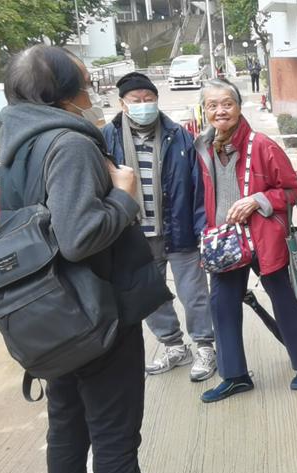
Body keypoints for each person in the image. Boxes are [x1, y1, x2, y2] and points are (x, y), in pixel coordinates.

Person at [0, 45, 204, 473]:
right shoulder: (68, 144)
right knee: (114, 442)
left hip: (51, 315)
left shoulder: (18, 143)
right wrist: (124, 197)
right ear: (62, 93)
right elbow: (78, 236)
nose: (91, 94)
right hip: (96, 315)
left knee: (67, 434)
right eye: (85, 84)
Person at [193, 78, 297, 403]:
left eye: (227, 103)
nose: (220, 111)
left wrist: (258, 200)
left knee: (284, 300)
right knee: (222, 306)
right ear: (204, 110)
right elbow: (199, 196)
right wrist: (203, 231)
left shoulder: (262, 145)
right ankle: (235, 376)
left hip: (264, 240)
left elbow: (293, 190)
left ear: (239, 107)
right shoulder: (202, 148)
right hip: (225, 242)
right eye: (212, 105)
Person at [102, 72, 217, 382]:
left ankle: (205, 346)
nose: (144, 105)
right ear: (123, 104)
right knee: (151, 297)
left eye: (149, 99)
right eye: (136, 100)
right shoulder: (106, 139)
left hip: (178, 230)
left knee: (194, 294)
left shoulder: (178, 136)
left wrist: (201, 228)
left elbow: (196, 186)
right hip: (134, 234)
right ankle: (173, 346)